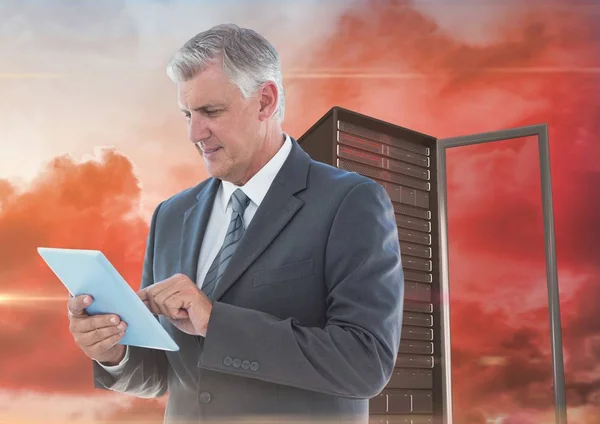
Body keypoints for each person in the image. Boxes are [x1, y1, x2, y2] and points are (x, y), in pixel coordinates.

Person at [66, 23, 404, 424]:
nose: (194, 133)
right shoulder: (171, 216)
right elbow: (165, 374)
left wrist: (216, 322)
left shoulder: (350, 202)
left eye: (211, 111)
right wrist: (113, 352)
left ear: (265, 101)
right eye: (187, 114)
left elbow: (365, 363)